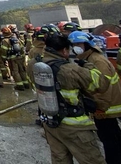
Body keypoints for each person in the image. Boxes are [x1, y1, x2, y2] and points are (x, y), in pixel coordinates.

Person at [35, 33, 107, 164]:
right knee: (92, 160)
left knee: (60, 159)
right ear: (64, 50)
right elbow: (100, 84)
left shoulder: (37, 65)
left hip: (51, 124)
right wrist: (88, 66)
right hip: (75, 127)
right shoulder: (69, 69)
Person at [68, 31, 121, 164]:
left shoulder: (97, 60)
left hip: (107, 107)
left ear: (87, 44)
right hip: (105, 107)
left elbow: (103, 86)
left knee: (110, 140)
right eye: (74, 45)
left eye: (79, 44)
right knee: (113, 137)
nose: (76, 47)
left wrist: (98, 106)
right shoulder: (89, 58)